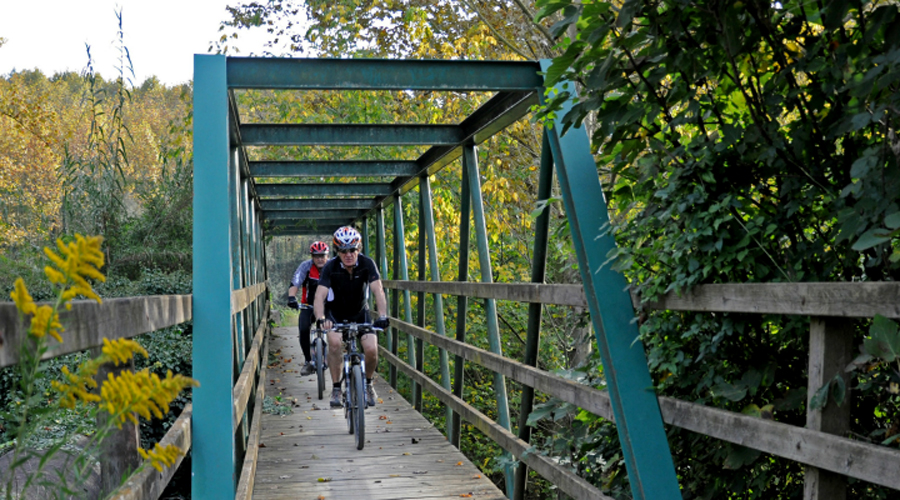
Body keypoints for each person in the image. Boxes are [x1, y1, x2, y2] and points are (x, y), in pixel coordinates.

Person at [312, 226, 389, 408]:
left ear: (359, 249)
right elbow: (319, 296)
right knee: (335, 343)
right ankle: (337, 387)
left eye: (352, 249)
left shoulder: (367, 264)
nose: (348, 254)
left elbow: (378, 290)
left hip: (360, 312)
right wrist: (321, 318)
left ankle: (368, 384)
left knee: (371, 349)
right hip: (335, 314)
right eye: (343, 251)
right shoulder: (330, 267)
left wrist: (383, 315)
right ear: (337, 251)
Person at [287, 241, 330, 376]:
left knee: (338, 330)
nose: (320, 259)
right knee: (304, 328)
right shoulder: (306, 266)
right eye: (316, 256)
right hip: (308, 305)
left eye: (322, 255)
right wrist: (291, 297)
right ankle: (308, 361)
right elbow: (296, 281)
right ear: (312, 256)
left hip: (329, 307)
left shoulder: (333, 266)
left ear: (327, 255)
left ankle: (335, 356)